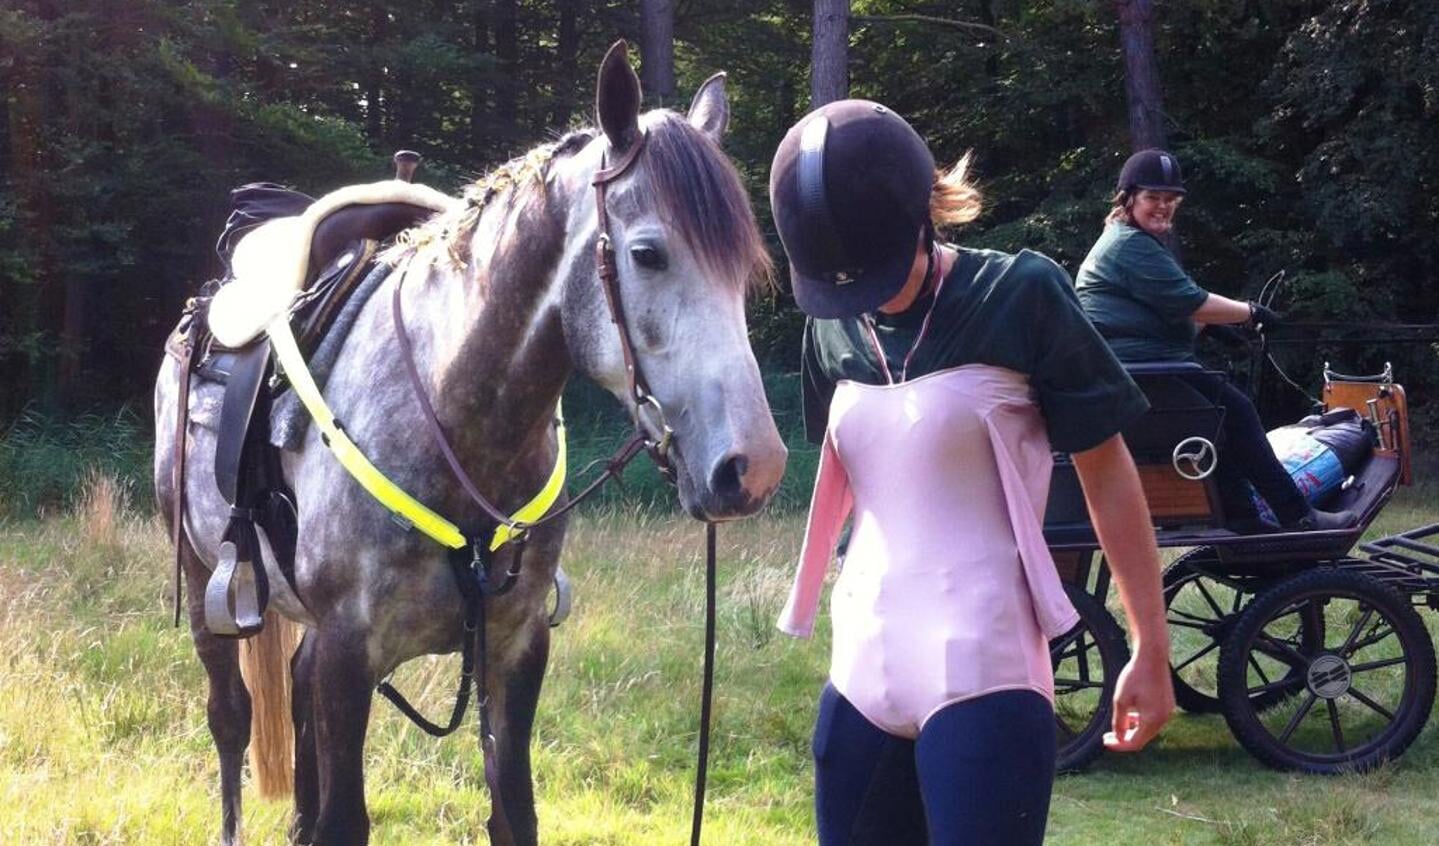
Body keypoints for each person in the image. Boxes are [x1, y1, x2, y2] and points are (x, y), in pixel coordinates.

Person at [769, 100, 1175, 846]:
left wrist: (1150, 645)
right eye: (847, 284)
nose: (870, 295)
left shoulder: (1018, 293)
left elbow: (1107, 473)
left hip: (983, 669)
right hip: (859, 664)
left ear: (925, 214)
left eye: (882, 271)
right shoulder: (828, 324)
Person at [1074, 148, 1353, 531]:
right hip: (1143, 375)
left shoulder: (1130, 241)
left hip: (1143, 370)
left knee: (1220, 425)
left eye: (1171, 200)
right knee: (1234, 413)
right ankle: (1297, 516)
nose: (1163, 207)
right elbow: (1190, 300)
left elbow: (1163, 309)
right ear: (1128, 198)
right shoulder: (1129, 246)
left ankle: (1242, 521)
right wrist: (1252, 313)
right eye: (1153, 198)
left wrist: (1213, 326)